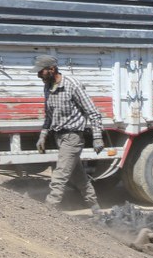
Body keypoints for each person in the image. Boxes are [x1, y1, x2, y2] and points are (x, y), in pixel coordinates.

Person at [34, 55, 104, 211]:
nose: (38, 75)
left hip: (73, 137)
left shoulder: (72, 85)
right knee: (79, 177)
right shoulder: (48, 87)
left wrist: (97, 137)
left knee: (60, 174)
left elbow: (93, 113)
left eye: (41, 72)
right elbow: (49, 115)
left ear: (52, 69)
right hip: (59, 137)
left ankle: (49, 210)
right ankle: (96, 208)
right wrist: (43, 135)